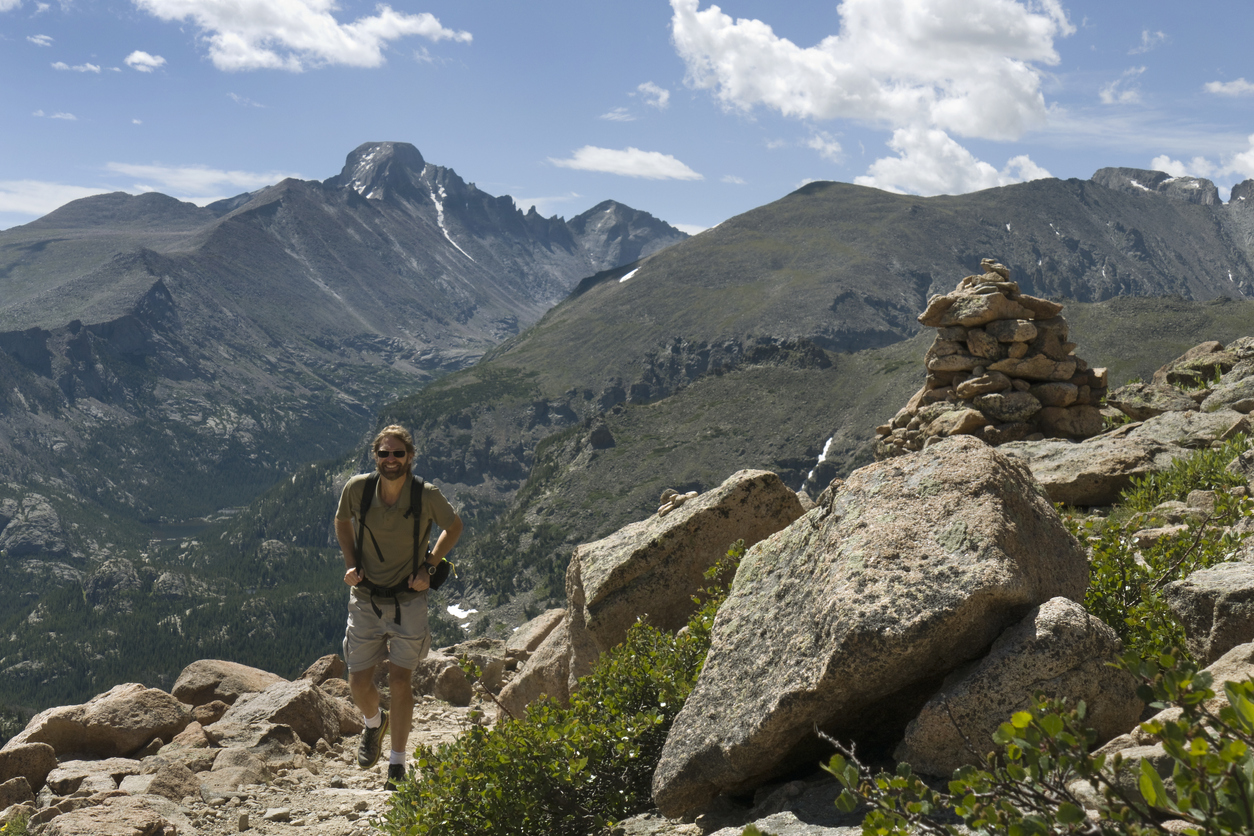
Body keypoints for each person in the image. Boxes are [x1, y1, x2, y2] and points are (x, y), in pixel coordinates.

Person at [334, 424, 463, 790]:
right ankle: (375, 722)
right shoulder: (357, 489)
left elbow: (453, 527)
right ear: (375, 456)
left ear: (410, 457)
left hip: (409, 600)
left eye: (398, 454)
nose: (391, 460)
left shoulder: (425, 495)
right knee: (358, 683)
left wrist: (430, 565)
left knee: (400, 679)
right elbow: (342, 522)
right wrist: (350, 561)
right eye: (384, 453)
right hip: (366, 598)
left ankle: (397, 765)